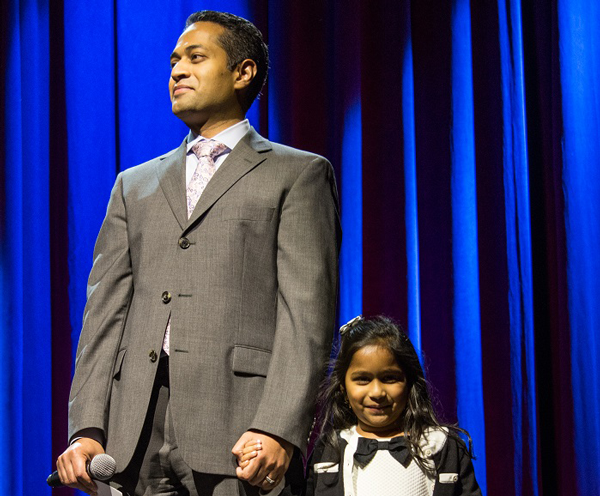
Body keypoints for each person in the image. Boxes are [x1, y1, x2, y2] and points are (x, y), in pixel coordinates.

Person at [56, 10, 340, 496]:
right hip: (134, 432)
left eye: (195, 57)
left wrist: (277, 425)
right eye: (173, 62)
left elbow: (307, 315)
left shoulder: (297, 174)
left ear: (242, 73)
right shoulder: (135, 185)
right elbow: (103, 315)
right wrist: (86, 427)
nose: (177, 71)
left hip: (239, 429)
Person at [299, 315, 481, 496]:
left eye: (390, 378)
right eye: (363, 379)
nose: (377, 392)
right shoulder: (330, 451)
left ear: (410, 384)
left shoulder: (441, 446)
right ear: (343, 389)